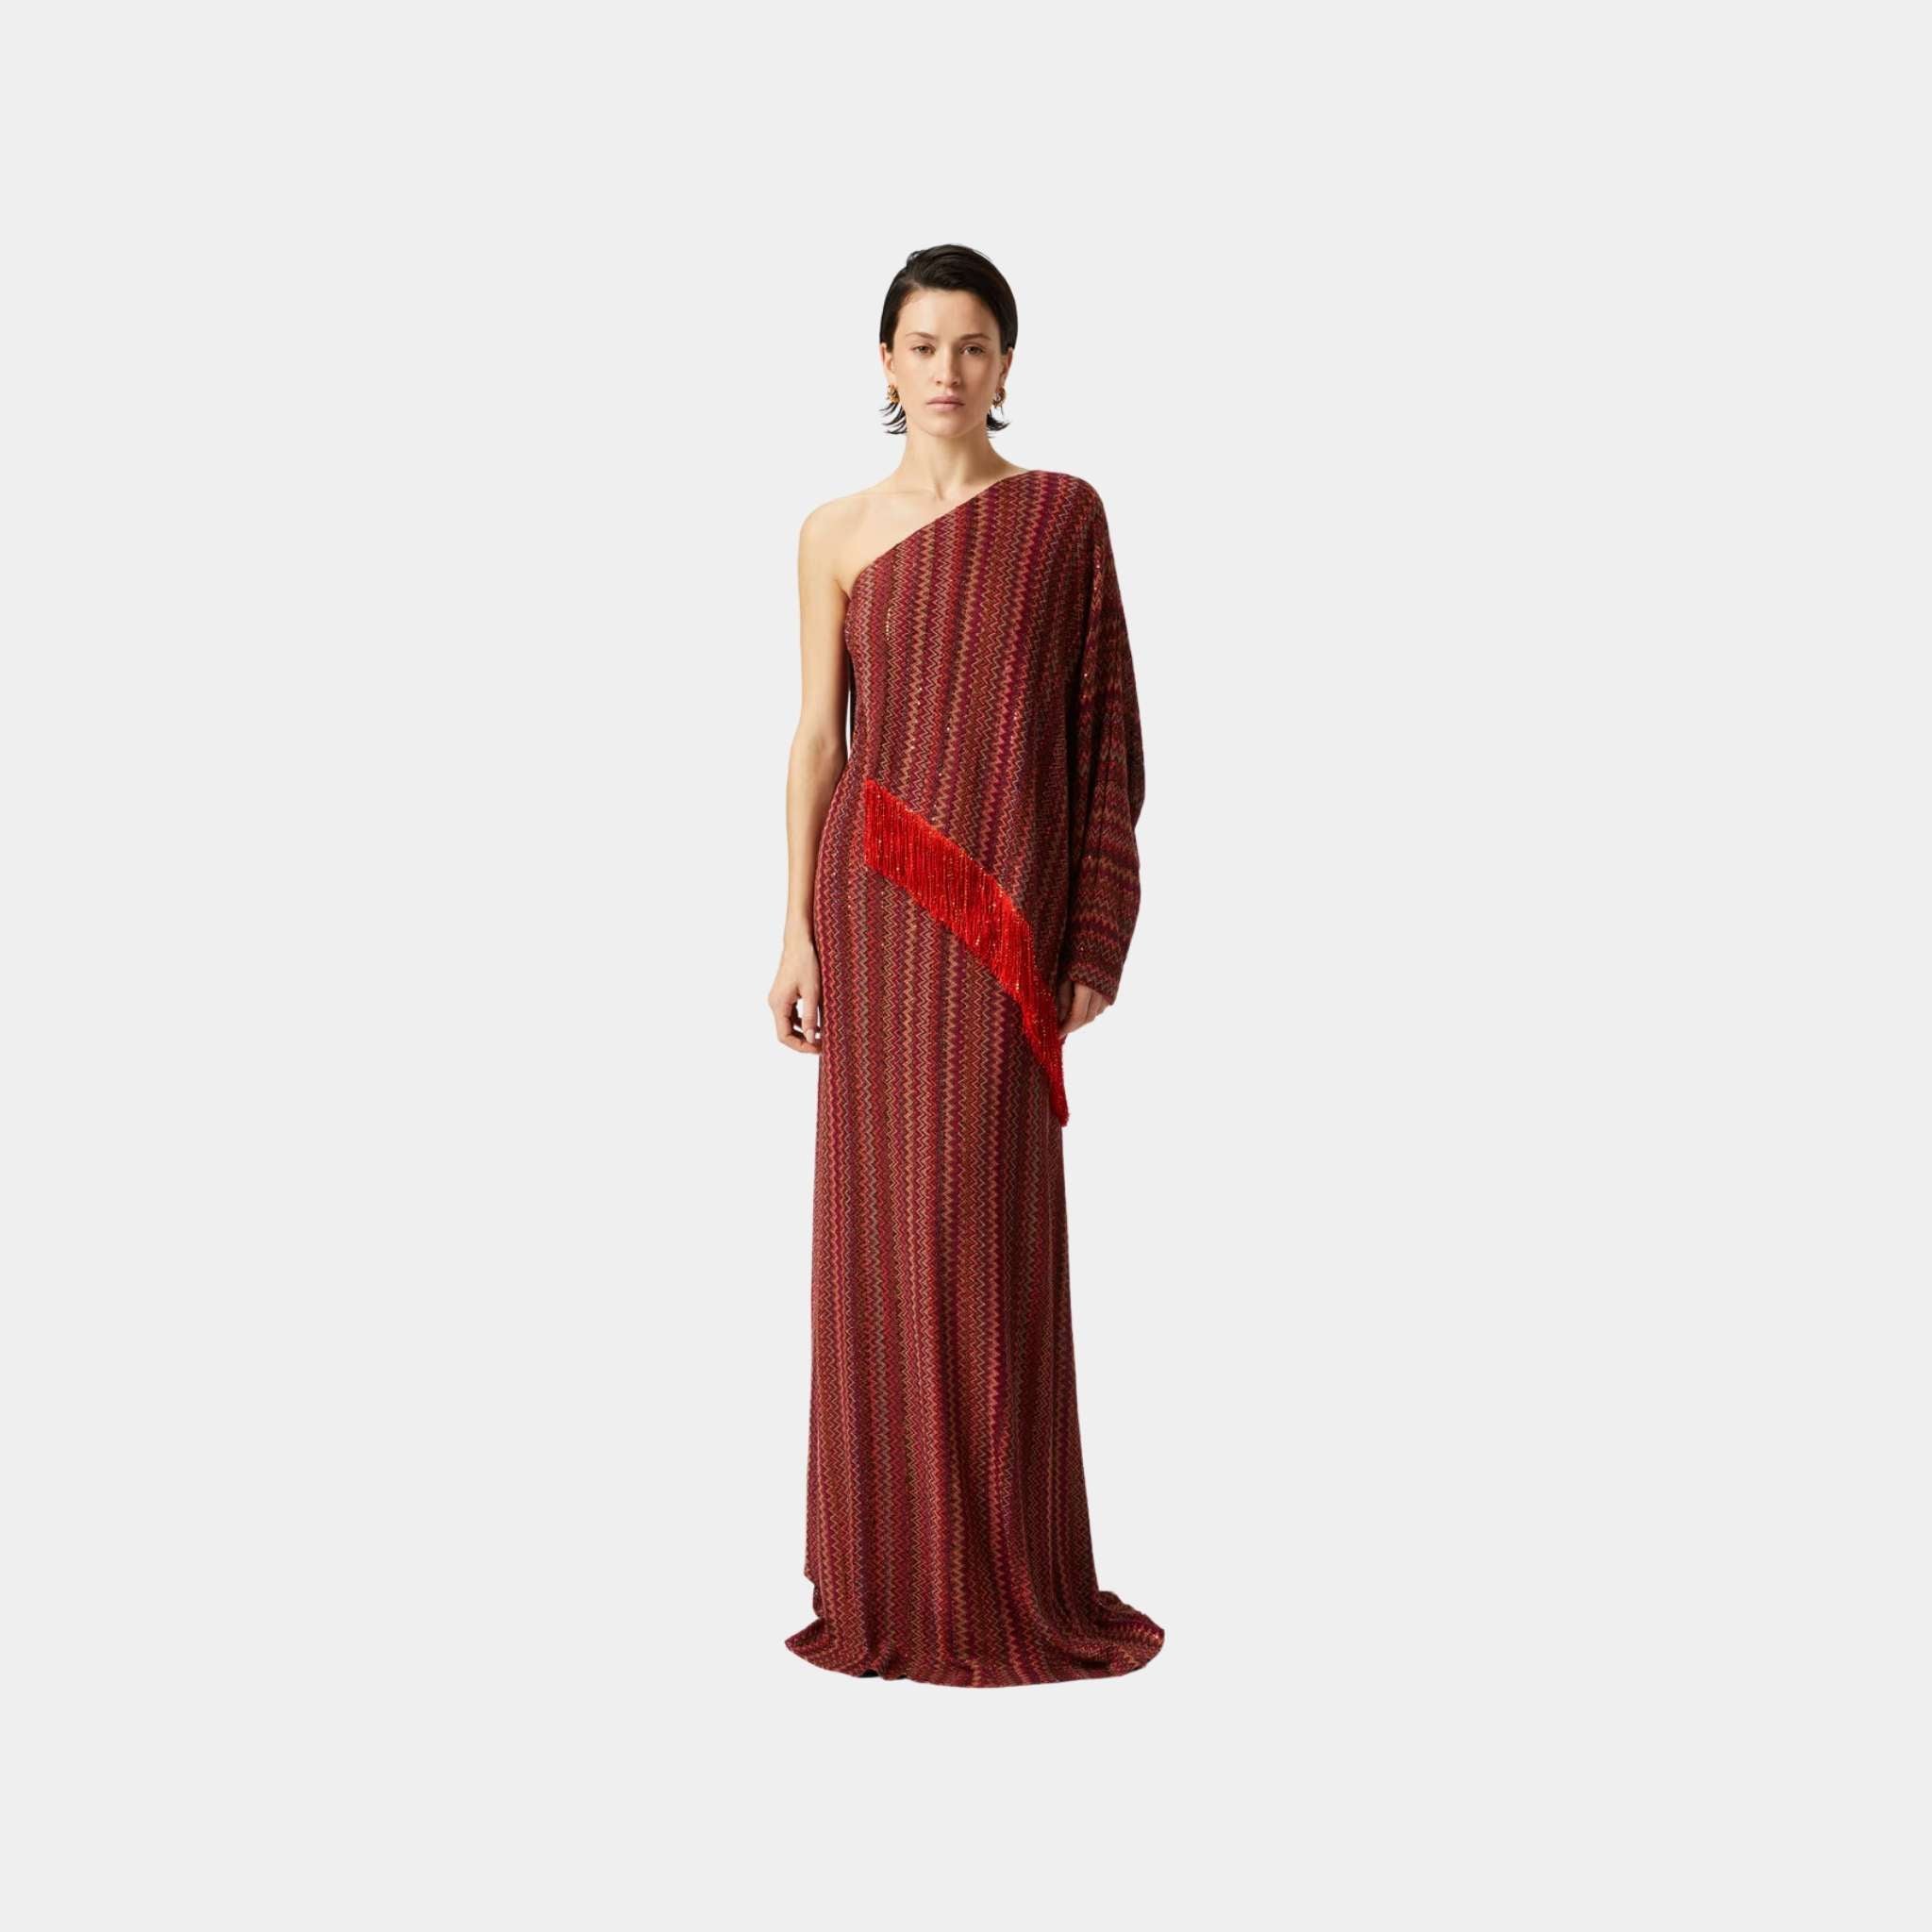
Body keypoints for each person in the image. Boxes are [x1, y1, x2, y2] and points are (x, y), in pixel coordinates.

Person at [768, 243, 1161, 1687]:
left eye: (974, 345)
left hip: (1000, 934)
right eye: (924, 345)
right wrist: (796, 928)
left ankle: (1004, 1571)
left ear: (1006, 364)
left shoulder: (1060, 518)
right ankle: (891, 1571)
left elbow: (1105, 731)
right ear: (886, 362)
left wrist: (1090, 931)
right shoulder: (832, 532)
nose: (948, 370)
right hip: (872, 915)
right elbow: (819, 739)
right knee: (881, 1240)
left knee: (983, 1239)